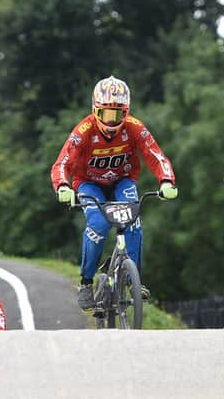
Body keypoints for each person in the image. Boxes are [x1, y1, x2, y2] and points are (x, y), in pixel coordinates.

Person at [50, 75, 177, 310]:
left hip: (123, 181)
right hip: (89, 184)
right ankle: (87, 283)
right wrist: (63, 186)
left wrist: (166, 181)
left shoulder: (135, 127)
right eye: (106, 114)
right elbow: (62, 163)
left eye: (117, 114)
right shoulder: (84, 130)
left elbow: (155, 155)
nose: (111, 121)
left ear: (126, 112)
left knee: (134, 221)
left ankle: (133, 280)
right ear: (95, 110)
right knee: (97, 224)